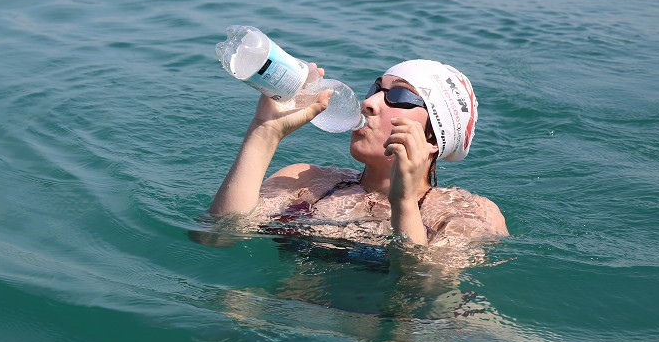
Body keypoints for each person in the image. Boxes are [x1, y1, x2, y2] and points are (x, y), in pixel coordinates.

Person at [208, 59, 507, 246]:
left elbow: (422, 291)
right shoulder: (305, 182)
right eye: (374, 89)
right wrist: (264, 133)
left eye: (399, 96)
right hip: (286, 326)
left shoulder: (468, 213)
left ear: (434, 138)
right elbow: (217, 237)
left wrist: (402, 201)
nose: (370, 102)